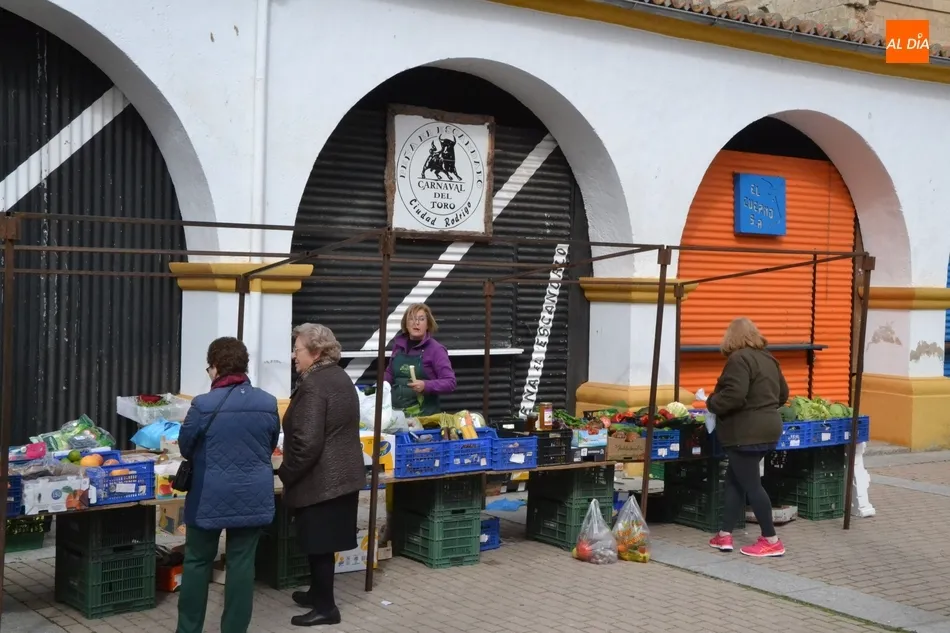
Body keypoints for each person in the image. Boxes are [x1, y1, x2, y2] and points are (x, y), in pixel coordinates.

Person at [176, 337, 280, 633]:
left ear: (217, 367)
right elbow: (270, 444)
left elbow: (186, 447)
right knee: (242, 565)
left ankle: (188, 630)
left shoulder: (202, 404)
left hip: (209, 493)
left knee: (197, 561)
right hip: (253, 494)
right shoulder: (268, 402)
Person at [278, 323, 365, 627]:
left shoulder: (315, 384)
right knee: (322, 543)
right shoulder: (338, 375)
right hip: (340, 475)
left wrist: (286, 473)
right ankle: (318, 593)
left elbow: (307, 442)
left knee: (319, 544)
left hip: (323, 479)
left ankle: (326, 608)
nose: (293, 356)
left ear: (315, 352)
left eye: (297, 350)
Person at [706, 317, 788, 558]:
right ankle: (724, 535)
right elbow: (783, 394)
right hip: (769, 426)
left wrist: (712, 403)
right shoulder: (768, 358)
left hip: (745, 432)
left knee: (752, 484)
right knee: (735, 479)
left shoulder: (739, 359)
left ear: (731, 337)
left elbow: (735, 395)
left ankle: (771, 540)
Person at [383, 303, 457, 416]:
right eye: (411, 319)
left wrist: (426, 385)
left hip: (424, 418)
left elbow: (450, 382)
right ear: (406, 324)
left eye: (421, 319)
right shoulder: (398, 346)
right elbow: (390, 373)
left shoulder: (436, 350)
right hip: (396, 415)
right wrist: (380, 386)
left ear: (428, 324)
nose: (416, 323)